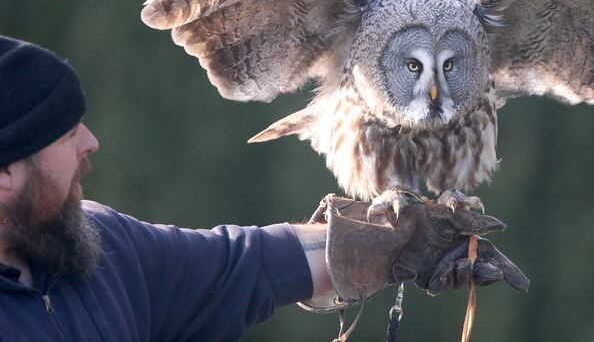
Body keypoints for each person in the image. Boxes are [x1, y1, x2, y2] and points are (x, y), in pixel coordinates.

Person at [0, 35, 528, 340]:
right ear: (6, 173)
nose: (91, 143)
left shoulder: (99, 249)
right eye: (66, 135)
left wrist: (396, 242)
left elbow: (242, 266)